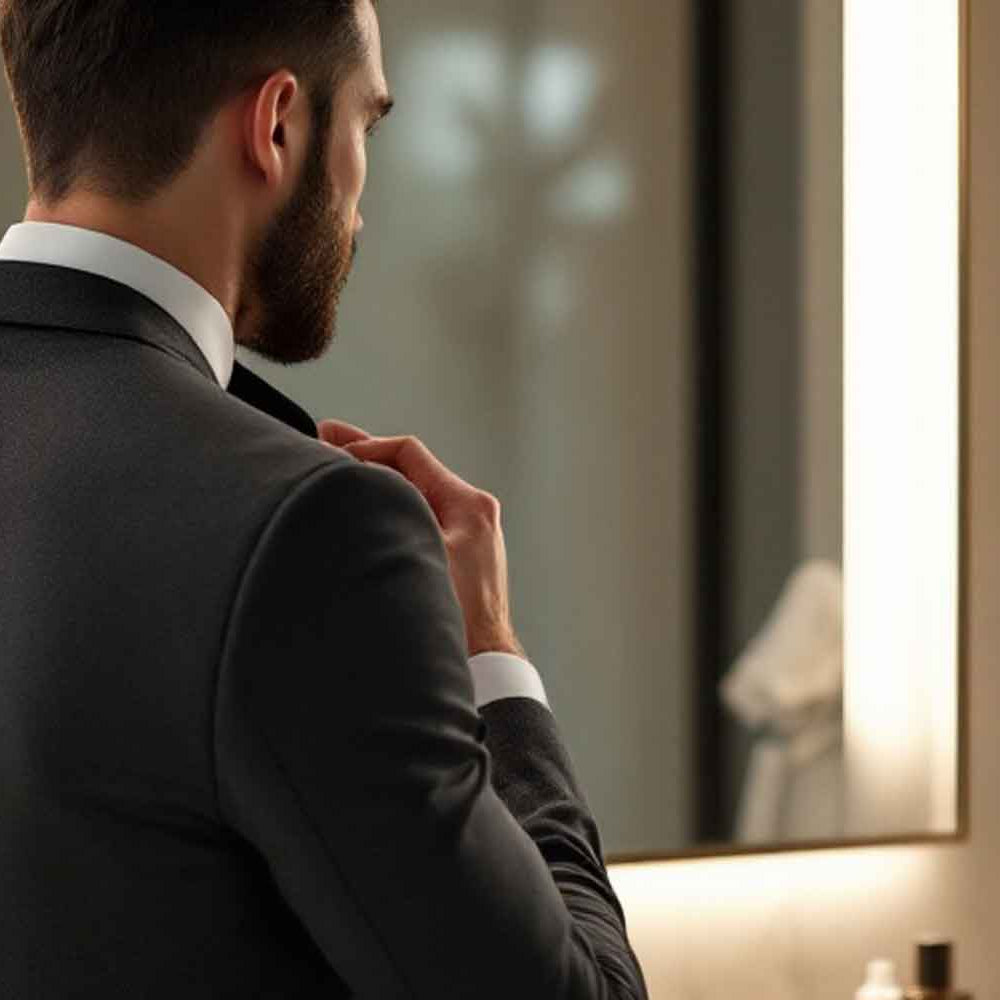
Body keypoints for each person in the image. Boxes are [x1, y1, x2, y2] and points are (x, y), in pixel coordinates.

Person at [0, 2, 649, 997]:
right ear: (276, 126)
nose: (361, 199)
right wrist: (493, 660)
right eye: (368, 124)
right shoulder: (310, 531)